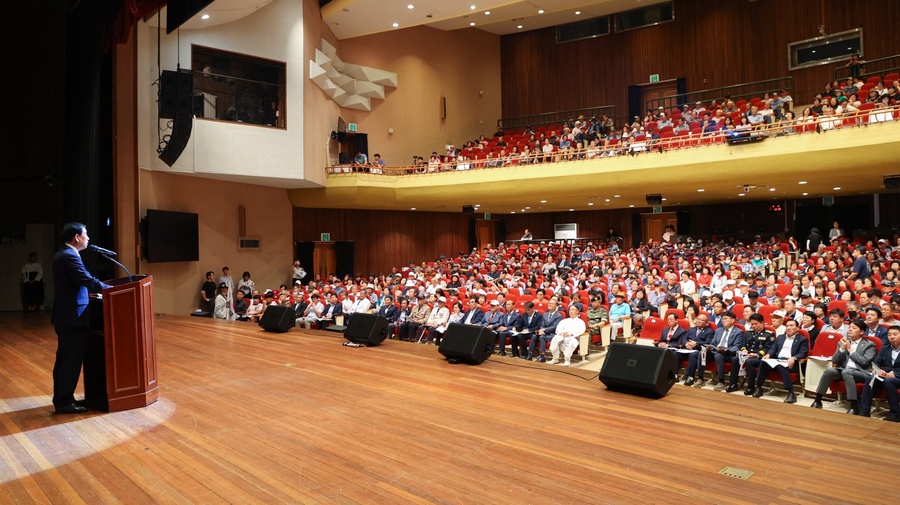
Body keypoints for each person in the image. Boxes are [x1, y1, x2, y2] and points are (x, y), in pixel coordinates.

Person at [51, 222, 112, 414]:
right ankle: (64, 403)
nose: (88, 238)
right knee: (70, 361)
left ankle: (62, 399)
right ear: (77, 237)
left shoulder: (64, 253)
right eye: (86, 234)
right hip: (72, 317)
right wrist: (112, 290)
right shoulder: (69, 256)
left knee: (64, 360)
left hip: (67, 315)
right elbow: (86, 279)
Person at [810, 319, 876, 413]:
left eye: (854, 328)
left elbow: (864, 362)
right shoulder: (843, 342)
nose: (850, 330)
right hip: (844, 370)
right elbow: (835, 361)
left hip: (861, 372)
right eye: (849, 327)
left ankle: (854, 405)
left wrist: (850, 350)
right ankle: (818, 400)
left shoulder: (869, 345)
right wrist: (842, 348)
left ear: (861, 332)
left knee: (847, 372)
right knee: (830, 371)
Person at [751, 319, 809, 403]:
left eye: (791, 326)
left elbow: (803, 352)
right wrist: (768, 355)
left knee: (780, 366)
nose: (788, 328)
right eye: (787, 326)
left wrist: (794, 357)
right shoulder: (781, 337)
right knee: (763, 362)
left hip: (790, 362)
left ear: (797, 328)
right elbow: (773, 348)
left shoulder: (802, 339)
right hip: (777, 359)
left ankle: (791, 393)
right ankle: (759, 388)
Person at [858, 325, 900, 421]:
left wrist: (895, 375)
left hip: (897, 377)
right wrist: (879, 371)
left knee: (889, 382)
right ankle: (865, 410)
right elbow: (876, 362)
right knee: (870, 379)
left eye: (895, 334)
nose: (892, 337)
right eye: (889, 335)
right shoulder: (885, 348)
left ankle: (895, 413)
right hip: (886, 375)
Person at [739, 313, 776, 395]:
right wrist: (744, 350)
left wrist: (757, 354)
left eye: (756, 324)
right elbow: (743, 344)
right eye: (752, 324)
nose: (754, 326)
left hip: (759, 357)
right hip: (747, 355)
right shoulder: (748, 332)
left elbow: (768, 348)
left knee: (749, 362)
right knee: (734, 359)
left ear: (762, 323)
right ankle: (733, 383)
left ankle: (751, 386)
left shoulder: (769, 334)